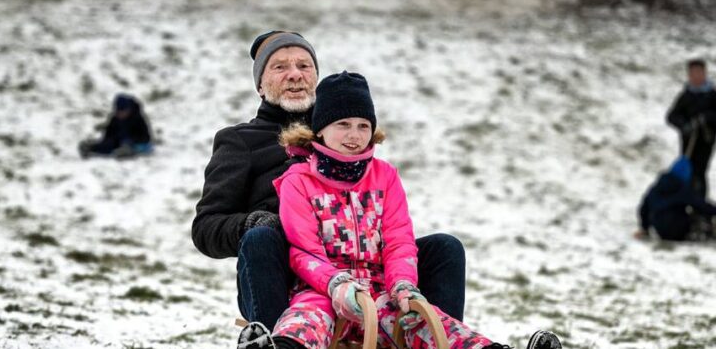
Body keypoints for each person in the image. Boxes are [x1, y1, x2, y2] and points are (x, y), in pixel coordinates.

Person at [236, 71, 563, 349]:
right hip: (323, 291)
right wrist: (337, 284)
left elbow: (399, 240)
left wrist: (403, 285)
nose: (354, 135)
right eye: (343, 124)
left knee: (428, 323)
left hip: (379, 292)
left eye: (363, 126)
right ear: (320, 129)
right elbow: (303, 250)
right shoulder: (299, 180)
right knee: (305, 321)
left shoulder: (384, 176)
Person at [192, 31, 467, 333]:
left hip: (361, 264)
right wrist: (254, 223)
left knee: (444, 248)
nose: (295, 75)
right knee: (261, 239)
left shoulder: (345, 129)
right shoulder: (241, 142)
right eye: (280, 67)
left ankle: (438, 336)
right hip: (287, 272)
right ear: (260, 85)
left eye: (304, 66)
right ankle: (276, 339)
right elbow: (206, 228)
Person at [666, 59, 716, 198]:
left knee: (699, 172)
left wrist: (706, 118)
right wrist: (684, 125)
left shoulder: (712, 94)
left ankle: (699, 205)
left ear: (705, 74)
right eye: (692, 73)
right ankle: (685, 202)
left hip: (706, 140)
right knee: (687, 170)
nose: (696, 76)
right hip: (688, 140)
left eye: (699, 73)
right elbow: (671, 116)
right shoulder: (686, 95)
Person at [636, 159, 716, 241]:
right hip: (678, 230)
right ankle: (706, 234)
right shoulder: (682, 189)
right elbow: (702, 205)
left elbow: (643, 209)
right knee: (698, 216)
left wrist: (645, 228)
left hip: (660, 231)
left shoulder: (655, 188)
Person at [78, 94, 153, 159]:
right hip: (118, 142)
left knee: (129, 144)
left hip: (137, 144)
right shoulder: (114, 118)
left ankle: (126, 151)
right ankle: (90, 148)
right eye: (118, 112)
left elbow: (145, 137)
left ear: (129, 109)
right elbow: (108, 135)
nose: (120, 114)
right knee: (108, 144)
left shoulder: (137, 118)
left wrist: (131, 141)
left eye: (123, 111)